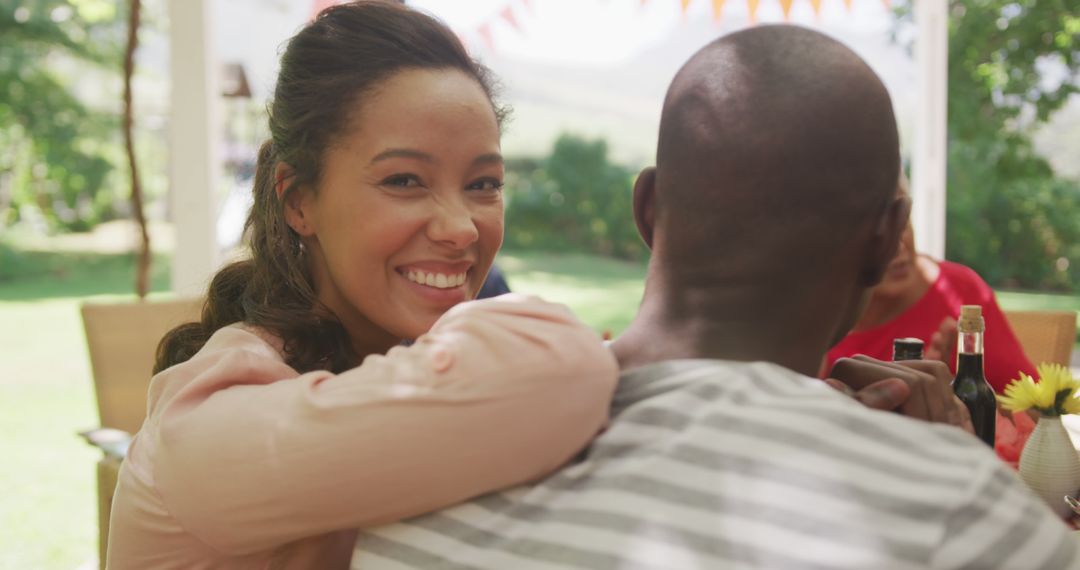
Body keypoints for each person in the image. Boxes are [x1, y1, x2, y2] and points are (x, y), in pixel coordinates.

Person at [352, 25, 1080, 569]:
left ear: (647, 211)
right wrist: (951, 471)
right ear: (886, 237)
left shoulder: (408, 457)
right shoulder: (957, 518)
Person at [105, 3, 619, 568]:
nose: (459, 227)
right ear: (300, 200)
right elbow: (568, 369)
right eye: (403, 180)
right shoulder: (213, 425)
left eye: (483, 183)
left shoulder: (389, 367)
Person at [825, 177, 1037, 393]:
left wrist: (955, 399)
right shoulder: (812, 314)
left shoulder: (962, 292)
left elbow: (1036, 407)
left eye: (903, 222)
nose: (899, 246)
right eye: (876, 234)